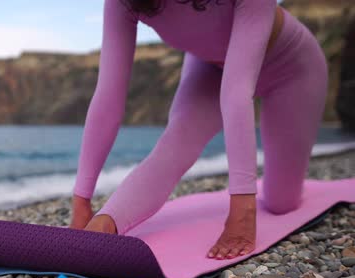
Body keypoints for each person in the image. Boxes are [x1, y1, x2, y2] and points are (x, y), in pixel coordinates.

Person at [70, 0, 328, 260]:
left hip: (292, 68)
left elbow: (236, 92)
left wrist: (242, 211)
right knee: (176, 142)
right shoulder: (122, 2)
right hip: (213, 69)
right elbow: (108, 99)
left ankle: (269, 181)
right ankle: (107, 223)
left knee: (281, 203)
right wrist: (82, 202)